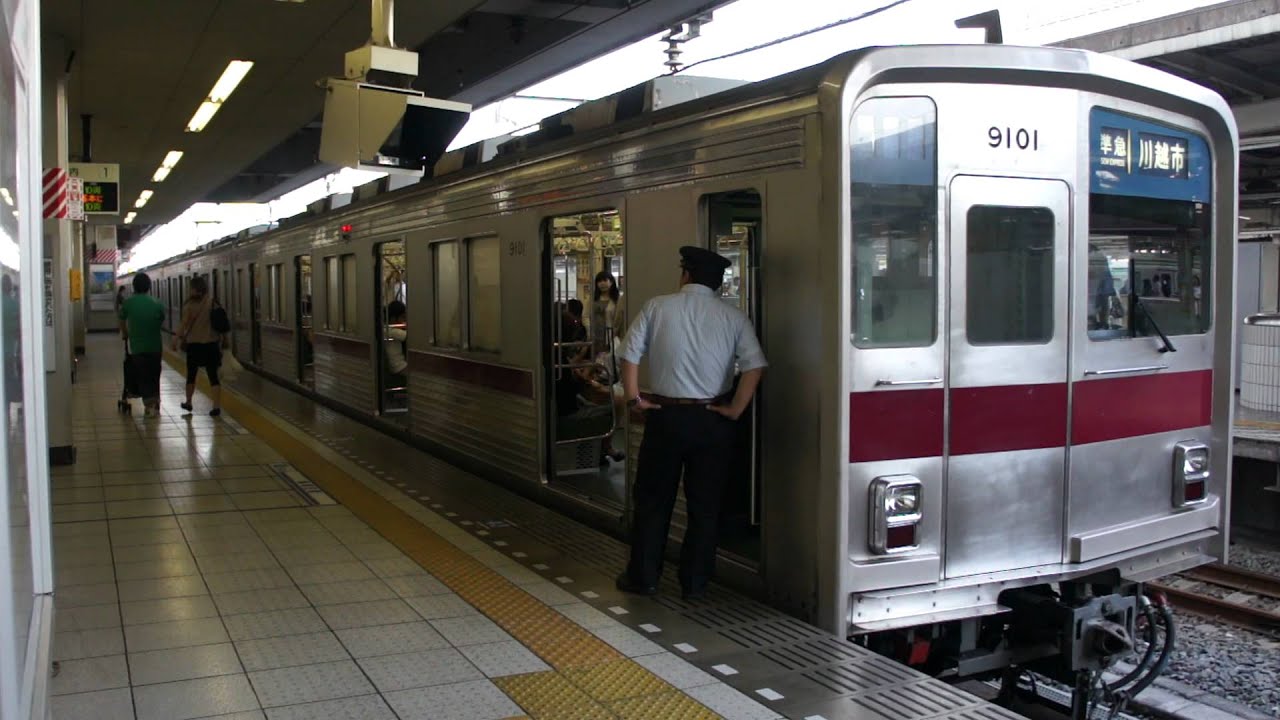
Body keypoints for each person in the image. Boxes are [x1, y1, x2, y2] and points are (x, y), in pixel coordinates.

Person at [615, 246, 766, 600]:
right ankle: (694, 585)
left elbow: (629, 354)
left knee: (653, 500)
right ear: (717, 283)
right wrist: (735, 410)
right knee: (706, 505)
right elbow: (754, 366)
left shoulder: (658, 306)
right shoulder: (734, 318)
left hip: (665, 417)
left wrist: (635, 399)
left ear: (685, 274)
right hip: (712, 420)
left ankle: (644, 578)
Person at [171, 276, 224, 416]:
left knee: (191, 376)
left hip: (194, 346)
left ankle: (188, 402)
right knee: (213, 376)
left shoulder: (189, 305)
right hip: (211, 345)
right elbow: (221, 324)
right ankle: (216, 407)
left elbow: (183, 325)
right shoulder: (213, 303)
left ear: (194, 289)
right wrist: (224, 341)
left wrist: (175, 339)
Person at [119, 273, 165, 417]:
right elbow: (161, 320)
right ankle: (156, 401)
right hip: (156, 347)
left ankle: (149, 406)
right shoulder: (157, 303)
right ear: (149, 286)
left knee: (143, 376)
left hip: (137, 348)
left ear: (134, 287)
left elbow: (121, 319)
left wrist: (125, 333)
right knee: (154, 374)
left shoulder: (128, 303)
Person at [591, 271, 625, 357]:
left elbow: (618, 319)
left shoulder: (618, 299)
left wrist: (614, 334)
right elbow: (586, 315)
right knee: (596, 357)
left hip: (610, 334)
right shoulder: (593, 298)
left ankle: (587, 371)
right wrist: (589, 331)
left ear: (612, 282)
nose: (602, 284)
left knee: (607, 357)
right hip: (595, 333)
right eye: (599, 281)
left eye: (605, 280)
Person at [385, 300, 408, 386]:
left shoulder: (386, 329)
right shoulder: (392, 331)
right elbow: (413, 338)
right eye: (402, 318)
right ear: (393, 319)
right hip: (399, 367)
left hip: (396, 366)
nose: (404, 321)